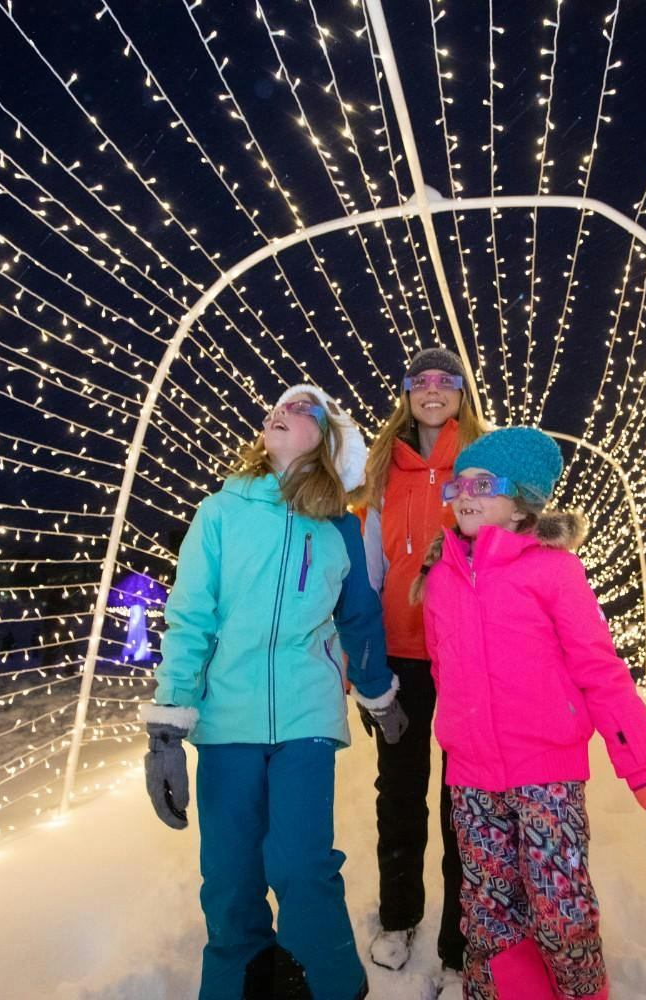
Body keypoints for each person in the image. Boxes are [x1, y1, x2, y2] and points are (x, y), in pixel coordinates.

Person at [414, 427, 646, 999]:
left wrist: (645, 772)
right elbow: (441, 667)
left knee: (561, 912)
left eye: (485, 483)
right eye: (459, 483)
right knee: (487, 914)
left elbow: (600, 672)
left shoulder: (553, 571)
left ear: (523, 499)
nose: (466, 494)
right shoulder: (443, 576)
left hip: (545, 773)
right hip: (471, 777)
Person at [142, 384, 410, 1000]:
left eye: (301, 409)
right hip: (226, 718)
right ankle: (242, 982)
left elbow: (359, 617)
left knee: (300, 866)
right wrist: (166, 730)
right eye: (277, 407)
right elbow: (191, 617)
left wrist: (378, 694)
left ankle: (333, 983)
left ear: (328, 442)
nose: (279, 412)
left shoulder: (340, 526)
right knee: (230, 878)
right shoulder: (221, 512)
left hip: (306, 717)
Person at [357, 348, 487, 991]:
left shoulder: (481, 461)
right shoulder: (384, 470)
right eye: (420, 382)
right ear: (406, 393)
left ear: (462, 393)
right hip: (401, 654)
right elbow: (368, 571)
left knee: (464, 797)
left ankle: (462, 939)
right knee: (399, 790)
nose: (432, 391)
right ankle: (400, 915)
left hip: (465, 655)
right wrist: (367, 664)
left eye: (445, 381)